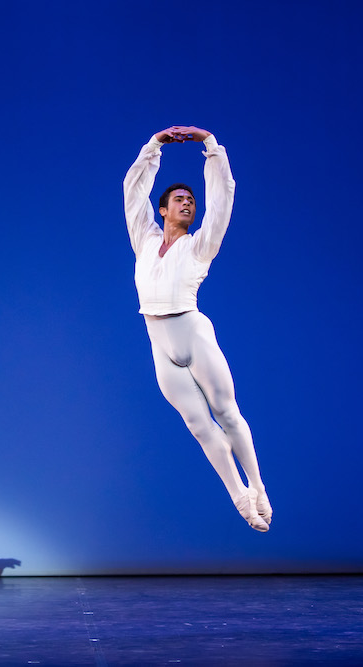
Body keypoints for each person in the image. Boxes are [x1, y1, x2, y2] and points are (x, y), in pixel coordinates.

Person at [123, 125, 271, 532]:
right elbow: (132, 190)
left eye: (191, 200)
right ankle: (239, 496)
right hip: (158, 341)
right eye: (179, 199)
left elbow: (222, 200)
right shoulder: (145, 239)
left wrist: (210, 144)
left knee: (227, 413)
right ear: (164, 210)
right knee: (198, 425)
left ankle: (258, 488)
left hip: (192, 332)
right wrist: (154, 145)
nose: (188, 204)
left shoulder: (200, 244)